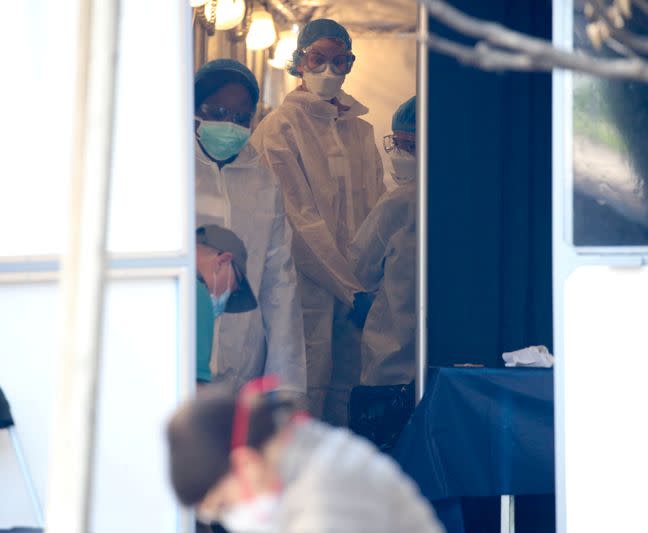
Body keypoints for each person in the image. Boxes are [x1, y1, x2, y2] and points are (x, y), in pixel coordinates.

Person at [249, 19, 385, 424]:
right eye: (317, 59)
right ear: (298, 63)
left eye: (339, 61)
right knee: (304, 390)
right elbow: (298, 221)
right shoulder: (279, 130)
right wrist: (350, 289)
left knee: (349, 391)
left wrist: (367, 284)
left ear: (350, 64)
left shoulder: (360, 132)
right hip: (304, 288)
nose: (329, 70)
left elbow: (375, 212)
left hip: (358, 293)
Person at [166, 379, 444, 533]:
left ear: (245, 462)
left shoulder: (327, 493)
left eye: (224, 503)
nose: (230, 519)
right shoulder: (296, 451)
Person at [194, 59, 305, 394]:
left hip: (242, 353)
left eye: (241, 118)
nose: (230, 124)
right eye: (217, 112)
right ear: (194, 110)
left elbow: (279, 283)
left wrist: (285, 385)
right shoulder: (171, 170)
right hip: (176, 351)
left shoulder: (262, 181)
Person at [349, 96, 417, 386]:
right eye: (398, 144)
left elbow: (360, 269)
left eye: (411, 146)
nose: (400, 154)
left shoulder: (399, 202)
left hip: (391, 362)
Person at [195, 224, 258, 386]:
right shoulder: (198, 296)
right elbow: (195, 388)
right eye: (233, 287)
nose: (227, 296)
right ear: (223, 261)